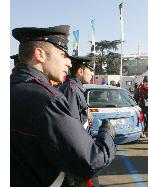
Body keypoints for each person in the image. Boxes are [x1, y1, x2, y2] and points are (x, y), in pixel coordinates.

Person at [11, 25, 116, 186]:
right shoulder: (47, 99)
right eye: (62, 54)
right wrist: (107, 134)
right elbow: (90, 160)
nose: (69, 62)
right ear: (40, 54)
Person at [58, 55, 99, 186]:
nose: (92, 73)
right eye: (90, 70)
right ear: (80, 71)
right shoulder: (72, 89)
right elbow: (72, 128)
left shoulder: (76, 88)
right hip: (75, 155)